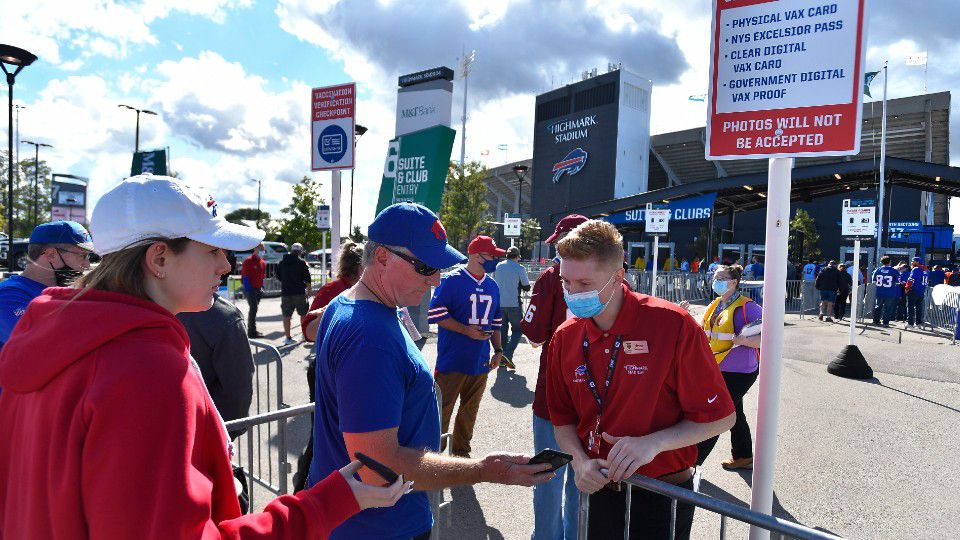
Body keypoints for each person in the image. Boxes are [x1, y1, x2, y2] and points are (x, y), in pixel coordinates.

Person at [0, 175, 409, 538]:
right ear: (159, 258)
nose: (225, 265)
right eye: (212, 249)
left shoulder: (49, 334)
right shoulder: (146, 368)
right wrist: (327, 503)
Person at [307, 203, 552, 539]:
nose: (436, 279)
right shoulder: (370, 337)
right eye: (425, 266)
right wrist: (482, 470)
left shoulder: (350, 304)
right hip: (381, 528)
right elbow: (380, 470)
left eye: (439, 266)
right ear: (381, 258)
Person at [547, 220, 735, 540]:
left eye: (584, 284)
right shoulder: (566, 338)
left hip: (663, 493)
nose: (573, 293)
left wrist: (654, 444)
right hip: (598, 489)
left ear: (618, 277)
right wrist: (579, 462)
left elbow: (721, 417)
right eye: (566, 282)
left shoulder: (673, 325)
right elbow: (562, 420)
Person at [521, 213, 589, 540]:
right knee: (583, 482)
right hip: (595, 400)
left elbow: (533, 336)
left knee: (547, 478)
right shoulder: (615, 279)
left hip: (553, 397)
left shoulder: (550, 279)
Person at [293, 240, 365, 493]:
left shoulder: (371, 291)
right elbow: (309, 331)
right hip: (326, 371)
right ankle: (301, 490)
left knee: (350, 434)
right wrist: (339, 308)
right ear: (358, 269)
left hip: (353, 373)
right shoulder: (335, 289)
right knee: (321, 434)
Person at [429, 235, 505, 457]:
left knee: (469, 411)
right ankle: (434, 455)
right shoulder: (452, 280)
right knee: (442, 410)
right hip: (453, 359)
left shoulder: (493, 286)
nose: (493, 259)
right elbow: (435, 314)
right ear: (475, 255)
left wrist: (499, 350)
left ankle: (461, 453)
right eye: (490, 255)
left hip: (480, 360)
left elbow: (496, 322)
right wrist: (465, 330)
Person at [685, 264, 762, 470]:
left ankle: (692, 463)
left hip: (741, 372)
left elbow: (768, 338)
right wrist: (684, 314)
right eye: (714, 277)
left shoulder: (749, 306)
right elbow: (703, 332)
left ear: (734, 282)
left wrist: (744, 341)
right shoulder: (715, 305)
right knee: (735, 411)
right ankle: (744, 456)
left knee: (718, 413)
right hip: (717, 367)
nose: (715, 281)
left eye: (720, 278)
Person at [0, 221, 93, 351]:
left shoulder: (63, 293)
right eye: (83, 255)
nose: (88, 264)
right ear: (51, 255)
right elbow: (39, 351)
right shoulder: (8, 296)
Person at [177, 293, 254, 439]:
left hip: (191, 432)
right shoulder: (223, 316)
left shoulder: (154, 303)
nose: (224, 269)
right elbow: (238, 393)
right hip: (202, 434)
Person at [493, 245, 530, 368]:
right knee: (519, 330)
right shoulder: (519, 268)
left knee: (502, 331)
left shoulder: (498, 266)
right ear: (517, 257)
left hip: (499, 304)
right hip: (513, 304)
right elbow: (527, 286)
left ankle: (502, 359)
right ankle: (508, 354)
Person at [277, 241, 312, 344]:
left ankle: (288, 338)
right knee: (303, 314)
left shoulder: (282, 262)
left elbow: (278, 276)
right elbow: (308, 278)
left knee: (286, 316)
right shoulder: (301, 263)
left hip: (286, 292)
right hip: (299, 293)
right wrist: (309, 290)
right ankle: (304, 335)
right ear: (300, 251)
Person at [240, 243, 266, 338]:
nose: (263, 251)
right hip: (250, 289)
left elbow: (262, 277)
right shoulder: (248, 261)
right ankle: (251, 332)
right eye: (261, 249)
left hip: (258, 290)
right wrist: (249, 291)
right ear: (256, 249)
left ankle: (252, 330)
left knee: (254, 310)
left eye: (263, 249)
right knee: (253, 309)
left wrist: (262, 287)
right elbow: (245, 277)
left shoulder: (262, 262)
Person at [872, 256, 900, 327]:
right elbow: (897, 282)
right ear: (889, 262)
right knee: (888, 308)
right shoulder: (894, 271)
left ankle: (876, 321)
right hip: (890, 292)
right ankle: (885, 323)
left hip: (879, 291)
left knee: (878, 306)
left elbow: (874, 281)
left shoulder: (877, 270)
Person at [906, 257, 929, 328]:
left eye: (913, 261)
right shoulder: (927, 270)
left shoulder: (916, 269)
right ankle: (918, 323)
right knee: (919, 308)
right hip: (921, 291)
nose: (911, 262)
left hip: (914, 291)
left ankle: (910, 324)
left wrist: (907, 288)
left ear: (917, 262)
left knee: (910, 308)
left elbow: (911, 280)